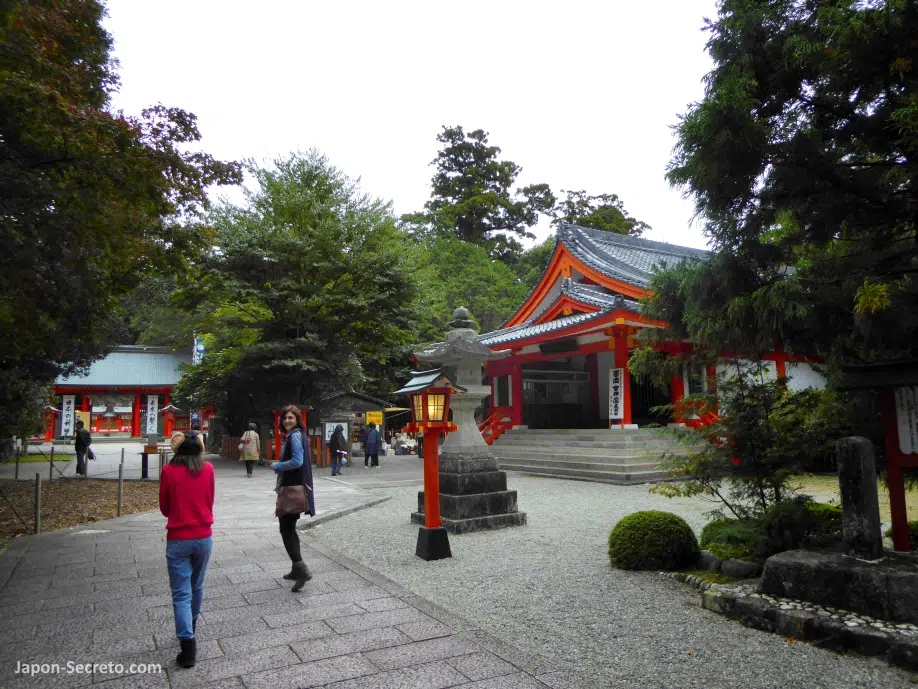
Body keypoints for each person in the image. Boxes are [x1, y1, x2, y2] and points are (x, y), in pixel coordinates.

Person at [159, 432, 215, 669]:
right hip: (203, 536)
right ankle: (190, 624)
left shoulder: (169, 471)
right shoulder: (209, 469)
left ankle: (187, 644)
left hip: (178, 538)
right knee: (197, 585)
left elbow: (164, 508)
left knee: (181, 593)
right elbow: (209, 500)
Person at [270, 406, 315, 591]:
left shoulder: (295, 436)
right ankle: (295, 569)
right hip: (295, 487)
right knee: (290, 528)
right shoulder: (299, 435)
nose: (287, 421)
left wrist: (277, 465)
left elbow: (297, 461)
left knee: (286, 529)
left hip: (291, 488)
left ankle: (301, 567)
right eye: (285, 418)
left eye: (291, 418)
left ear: (297, 419)